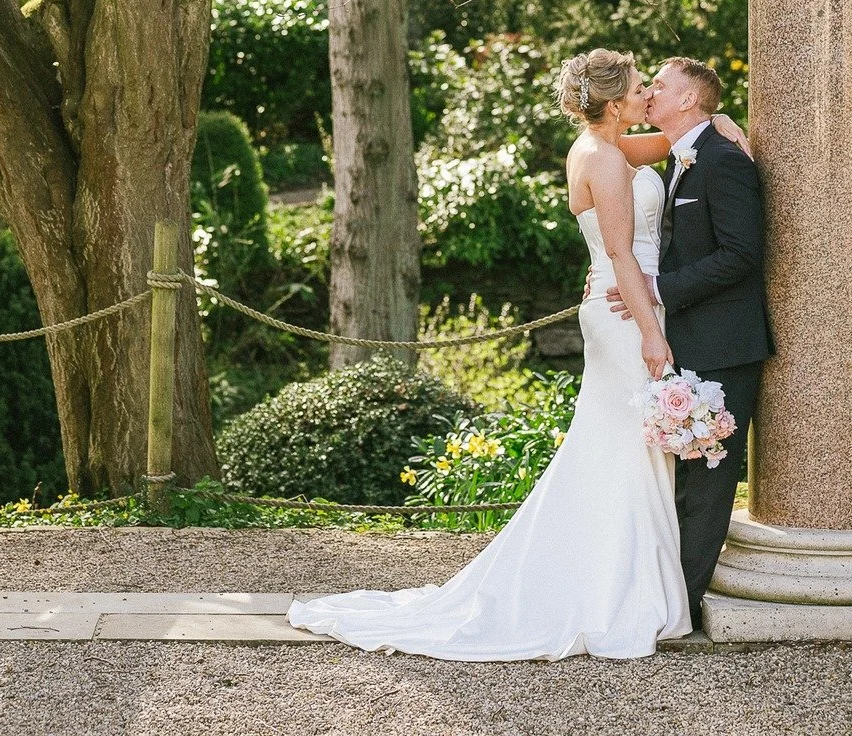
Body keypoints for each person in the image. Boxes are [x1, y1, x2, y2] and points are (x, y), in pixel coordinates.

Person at [288, 49, 746, 660]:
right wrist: (653, 335)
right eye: (639, 89)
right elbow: (621, 258)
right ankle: (610, 591)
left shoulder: (608, 147)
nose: (646, 96)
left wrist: (719, 126)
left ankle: (629, 578)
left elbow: (671, 149)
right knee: (620, 446)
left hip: (633, 304)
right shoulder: (603, 159)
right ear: (613, 104)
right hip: (627, 313)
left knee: (626, 447)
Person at [605, 56, 771, 614]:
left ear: (688, 100)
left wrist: (656, 287)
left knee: (707, 484)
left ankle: (683, 606)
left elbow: (742, 254)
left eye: (660, 85)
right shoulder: (683, 155)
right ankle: (667, 594)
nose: (649, 91)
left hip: (725, 344)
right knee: (683, 477)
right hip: (688, 339)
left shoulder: (724, 162)